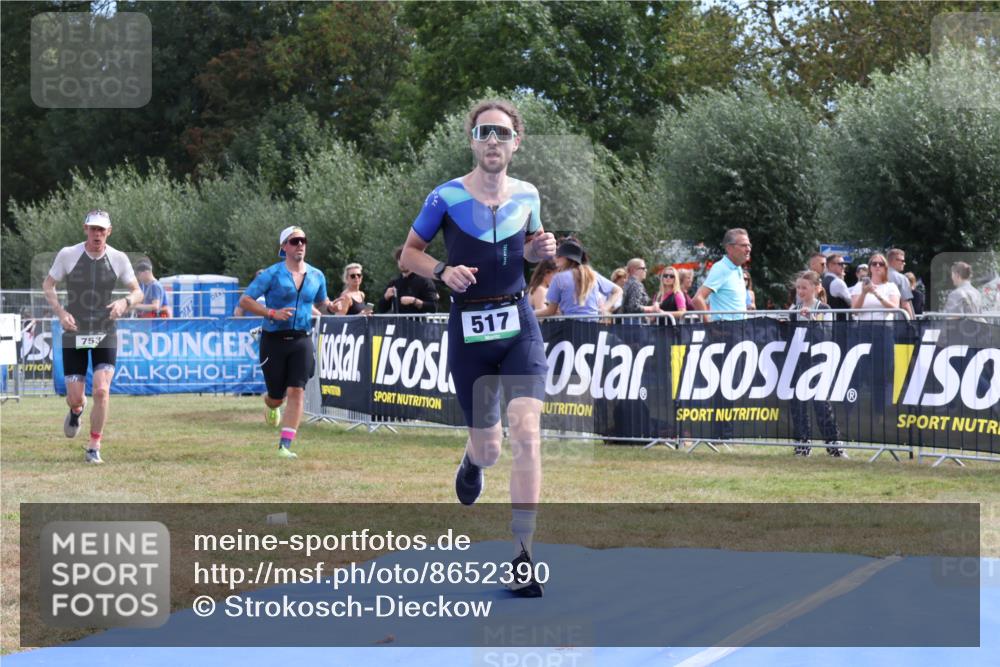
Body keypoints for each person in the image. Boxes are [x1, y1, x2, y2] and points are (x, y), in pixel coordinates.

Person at [400, 98, 556, 597]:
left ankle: (523, 554)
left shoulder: (528, 194)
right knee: (490, 448)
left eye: (502, 133)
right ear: (472, 140)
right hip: (469, 329)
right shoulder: (443, 197)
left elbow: (527, 250)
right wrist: (443, 271)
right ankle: (471, 461)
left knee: (526, 431)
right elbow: (408, 255)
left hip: (518, 323)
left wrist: (539, 252)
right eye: (484, 132)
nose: (493, 140)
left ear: (516, 142)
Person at [42, 209, 143, 464]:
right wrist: (61, 312)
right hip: (74, 329)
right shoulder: (68, 254)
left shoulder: (118, 258)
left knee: (101, 390)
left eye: (102, 229)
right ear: (85, 228)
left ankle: (94, 445)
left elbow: (138, 291)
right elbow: (48, 284)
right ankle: (76, 410)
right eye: (93, 228)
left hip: (105, 329)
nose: (97, 234)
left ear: (109, 231)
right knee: (75, 397)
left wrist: (125, 302)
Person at [238, 226, 341, 459]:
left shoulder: (317, 275)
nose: (300, 245)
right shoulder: (272, 274)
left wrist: (332, 307)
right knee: (276, 397)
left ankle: (285, 445)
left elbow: (323, 302)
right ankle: (272, 406)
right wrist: (271, 313)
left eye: (303, 240)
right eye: (295, 241)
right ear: (284, 247)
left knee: (297, 390)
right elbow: (245, 301)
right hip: (273, 340)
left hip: (301, 340)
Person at [788, 271, 845, 458]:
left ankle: (834, 445)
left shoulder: (825, 309)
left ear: (815, 288)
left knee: (821, 403)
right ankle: (802, 444)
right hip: (799, 361)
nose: (800, 291)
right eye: (798, 288)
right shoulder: (794, 309)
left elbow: (826, 335)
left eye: (804, 287)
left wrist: (811, 320)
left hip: (819, 362)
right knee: (798, 404)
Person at [535, 238, 620, 320]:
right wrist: (605, 308)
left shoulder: (559, 278)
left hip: (570, 327)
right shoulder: (592, 275)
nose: (555, 258)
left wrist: (528, 313)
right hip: (592, 327)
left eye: (559, 255)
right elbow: (618, 291)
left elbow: (550, 311)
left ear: (567, 258)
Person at [692, 228, 751, 321]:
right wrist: (710, 327)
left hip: (739, 331)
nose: (748, 249)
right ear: (729, 248)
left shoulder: (737, 267)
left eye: (749, 245)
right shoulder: (721, 268)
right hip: (725, 331)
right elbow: (697, 299)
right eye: (743, 245)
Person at [377, 246, 438, 314]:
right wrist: (386, 297)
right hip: (399, 323)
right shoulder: (394, 283)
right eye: (399, 259)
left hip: (418, 323)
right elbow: (381, 309)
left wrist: (414, 301)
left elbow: (433, 307)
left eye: (404, 259)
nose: (402, 263)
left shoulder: (425, 281)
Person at [849, 253, 901, 320]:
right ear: (870, 267)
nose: (877, 266)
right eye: (874, 264)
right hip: (863, 326)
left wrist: (876, 294)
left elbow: (895, 309)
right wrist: (863, 293)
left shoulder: (891, 286)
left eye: (881, 264)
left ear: (885, 268)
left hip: (884, 326)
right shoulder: (859, 285)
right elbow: (854, 311)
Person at [822, 253, 852, 320]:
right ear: (830, 265)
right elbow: (852, 302)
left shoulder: (823, 281)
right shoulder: (837, 282)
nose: (844, 266)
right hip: (841, 324)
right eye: (840, 264)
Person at [886, 248, 914, 319]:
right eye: (902, 260)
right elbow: (905, 305)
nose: (904, 263)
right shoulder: (901, 278)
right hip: (897, 322)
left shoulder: (874, 276)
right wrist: (913, 323)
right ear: (894, 260)